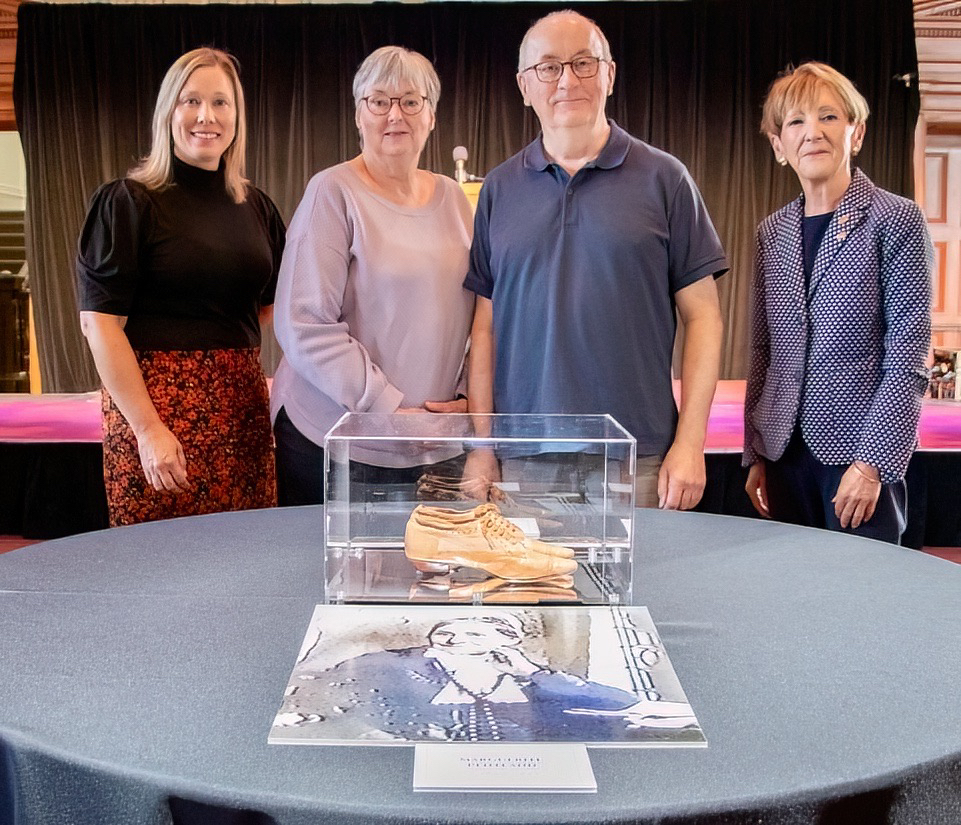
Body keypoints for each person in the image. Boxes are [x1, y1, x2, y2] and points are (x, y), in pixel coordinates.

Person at [463, 11, 727, 511]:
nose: (567, 80)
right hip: (523, 458)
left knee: (646, 592)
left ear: (609, 74)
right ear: (524, 86)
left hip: (637, 457)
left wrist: (690, 443)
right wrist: (482, 446)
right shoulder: (498, 189)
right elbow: (484, 330)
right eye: (548, 67)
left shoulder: (665, 179)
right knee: (528, 591)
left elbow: (704, 317)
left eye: (584, 63)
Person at [76, 47, 285, 527]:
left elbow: (276, 306)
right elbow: (100, 326)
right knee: (160, 568)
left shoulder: (256, 207)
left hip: (241, 412)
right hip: (156, 412)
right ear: (168, 110)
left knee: (245, 561)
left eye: (220, 102)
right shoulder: (128, 202)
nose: (206, 116)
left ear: (237, 115)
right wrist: (149, 430)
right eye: (190, 101)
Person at [271, 46, 474, 505]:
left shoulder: (454, 198)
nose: (394, 114)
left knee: (430, 575)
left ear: (432, 116)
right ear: (359, 115)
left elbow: (480, 315)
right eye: (378, 101)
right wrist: (390, 409)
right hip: (339, 444)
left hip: (435, 444)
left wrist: (465, 398)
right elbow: (303, 324)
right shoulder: (333, 191)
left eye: (410, 101)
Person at [743, 62, 932, 544]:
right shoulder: (771, 232)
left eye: (828, 116)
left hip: (858, 458)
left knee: (861, 605)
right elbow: (763, 352)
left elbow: (908, 354)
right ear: (778, 146)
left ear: (857, 132)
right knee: (794, 597)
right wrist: (756, 453)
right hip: (783, 456)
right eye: (796, 122)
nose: (812, 133)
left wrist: (872, 465)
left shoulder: (896, 218)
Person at [274, 614, 697, 742]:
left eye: (475, 631)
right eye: (449, 629)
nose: (455, 634)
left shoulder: (536, 683)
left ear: (507, 640)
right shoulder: (390, 664)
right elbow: (325, 697)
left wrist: (531, 672)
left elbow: (623, 707)